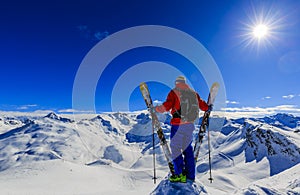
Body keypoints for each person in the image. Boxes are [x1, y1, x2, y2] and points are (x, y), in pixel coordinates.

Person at [155, 76, 209, 182]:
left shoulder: (174, 92)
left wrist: (156, 109)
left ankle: (179, 175)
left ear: (176, 83)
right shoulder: (193, 93)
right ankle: (190, 175)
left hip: (177, 124)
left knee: (176, 149)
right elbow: (204, 106)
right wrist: (208, 107)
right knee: (187, 149)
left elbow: (166, 106)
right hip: (189, 125)